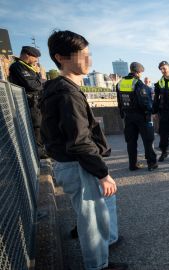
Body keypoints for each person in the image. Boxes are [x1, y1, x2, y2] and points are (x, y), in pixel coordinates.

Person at [40, 30, 126, 270]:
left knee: (94, 214)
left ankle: (105, 247)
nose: (88, 60)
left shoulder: (57, 88)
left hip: (70, 162)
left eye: (88, 54)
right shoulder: (67, 93)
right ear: (61, 57)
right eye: (81, 55)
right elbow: (79, 140)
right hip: (78, 164)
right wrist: (102, 173)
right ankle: (97, 265)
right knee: (92, 219)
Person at [116, 62, 157, 171]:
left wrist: (122, 113)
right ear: (139, 72)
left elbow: (119, 101)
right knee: (148, 141)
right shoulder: (138, 84)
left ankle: (132, 165)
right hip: (141, 117)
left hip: (128, 117)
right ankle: (151, 164)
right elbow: (145, 102)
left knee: (131, 142)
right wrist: (152, 111)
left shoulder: (120, 83)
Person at [8, 45, 47, 158]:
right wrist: (41, 81)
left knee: (40, 125)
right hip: (30, 102)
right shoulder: (18, 67)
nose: (36, 60)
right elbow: (33, 85)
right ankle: (39, 152)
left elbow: (38, 83)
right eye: (35, 57)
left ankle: (41, 149)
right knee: (37, 126)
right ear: (26, 55)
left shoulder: (29, 67)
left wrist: (40, 81)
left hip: (36, 101)